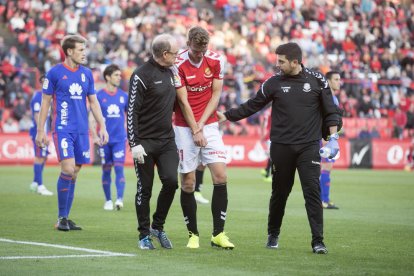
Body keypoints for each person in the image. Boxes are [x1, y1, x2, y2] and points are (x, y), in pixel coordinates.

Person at [217, 42, 342, 254]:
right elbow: (253, 105)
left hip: (309, 146)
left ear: (295, 62)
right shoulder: (273, 82)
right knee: (279, 194)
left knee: (312, 192)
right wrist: (227, 116)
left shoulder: (317, 80)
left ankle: (318, 241)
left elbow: (331, 111)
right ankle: (273, 234)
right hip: (281, 147)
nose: (278, 65)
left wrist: (333, 138)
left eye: (282, 62)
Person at [36, 35, 109, 231]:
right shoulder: (54, 73)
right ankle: (61, 218)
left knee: (75, 172)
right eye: (80, 49)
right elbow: (45, 103)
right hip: (63, 128)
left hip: (82, 130)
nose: (84, 53)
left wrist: (102, 126)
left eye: (85, 49)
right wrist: (40, 130)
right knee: (67, 169)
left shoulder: (87, 74)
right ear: (69, 51)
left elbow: (93, 102)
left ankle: (65, 218)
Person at [173, 26, 234, 249]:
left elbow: (216, 93)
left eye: (203, 49)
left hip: (207, 124)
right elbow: (182, 100)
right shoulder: (177, 63)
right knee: (188, 183)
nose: (200, 54)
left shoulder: (216, 60)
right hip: (183, 126)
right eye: (196, 50)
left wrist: (203, 125)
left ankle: (218, 234)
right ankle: (193, 235)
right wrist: (194, 129)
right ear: (188, 43)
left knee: (220, 176)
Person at [127, 34, 179, 250]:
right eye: (175, 53)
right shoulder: (140, 75)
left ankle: (157, 226)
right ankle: (143, 235)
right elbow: (132, 111)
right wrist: (134, 143)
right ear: (164, 54)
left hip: (167, 140)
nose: (177, 57)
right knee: (144, 189)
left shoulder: (171, 72)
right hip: (144, 143)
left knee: (171, 182)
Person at [90, 64, 128, 211]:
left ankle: (119, 199)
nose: (119, 78)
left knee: (119, 168)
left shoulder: (123, 96)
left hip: (119, 139)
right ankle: (108, 200)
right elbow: (91, 118)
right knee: (106, 170)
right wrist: (94, 135)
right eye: (116, 75)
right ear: (107, 77)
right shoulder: (99, 96)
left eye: (120, 75)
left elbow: (129, 117)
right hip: (104, 140)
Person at [320, 71, 341, 210]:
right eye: (336, 79)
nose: (339, 82)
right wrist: (324, 139)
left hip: (330, 139)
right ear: (328, 81)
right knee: (324, 168)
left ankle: (324, 199)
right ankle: (322, 200)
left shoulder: (335, 99)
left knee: (327, 169)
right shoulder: (327, 98)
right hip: (324, 140)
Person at [29, 75, 53, 196]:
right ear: (40, 83)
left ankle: (35, 182)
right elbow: (37, 116)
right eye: (44, 82)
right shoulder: (38, 97)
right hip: (38, 132)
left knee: (43, 157)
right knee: (39, 157)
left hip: (44, 131)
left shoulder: (48, 97)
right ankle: (40, 186)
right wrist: (42, 133)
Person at [260, 106, 272, 182]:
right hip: (272, 134)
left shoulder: (267, 111)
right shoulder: (273, 109)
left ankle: (266, 170)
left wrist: (262, 133)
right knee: (273, 155)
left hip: (268, 134)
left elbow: (263, 123)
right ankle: (267, 174)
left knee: (272, 154)